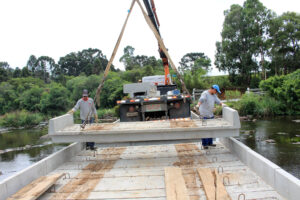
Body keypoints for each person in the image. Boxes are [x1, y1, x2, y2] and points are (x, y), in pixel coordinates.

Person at [196, 85, 226, 149]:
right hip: (203, 115)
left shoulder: (214, 95)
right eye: (216, 91)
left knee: (211, 129)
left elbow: (218, 101)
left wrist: (222, 104)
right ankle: (204, 144)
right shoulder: (205, 94)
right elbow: (202, 99)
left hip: (210, 114)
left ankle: (210, 142)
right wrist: (198, 105)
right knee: (204, 129)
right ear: (213, 89)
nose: (216, 93)